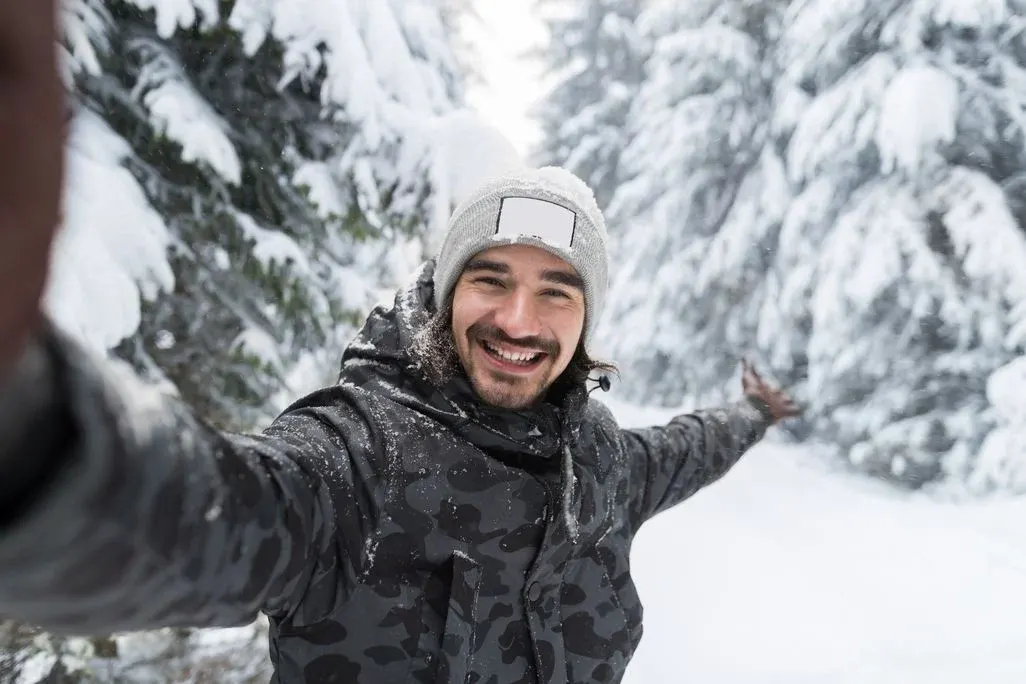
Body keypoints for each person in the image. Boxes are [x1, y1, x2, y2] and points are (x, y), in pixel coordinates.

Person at [0, 2, 800, 683]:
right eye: (490, 279)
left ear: (586, 319)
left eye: (557, 291)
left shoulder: (604, 462)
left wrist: (754, 415)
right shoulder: (354, 462)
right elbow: (196, 520)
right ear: (445, 293)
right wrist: (27, 426)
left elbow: (689, 446)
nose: (519, 320)